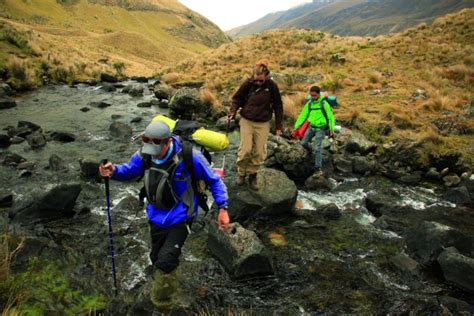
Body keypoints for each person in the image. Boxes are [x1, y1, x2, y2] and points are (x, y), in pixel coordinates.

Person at [99, 120, 230, 306]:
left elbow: (215, 181)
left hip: (181, 217)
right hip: (155, 215)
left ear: (167, 141)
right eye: (147, 143)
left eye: (156, 145)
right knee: (156, 258)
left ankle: (163, 304)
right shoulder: (145, 154)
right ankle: (170, 280)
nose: (151, 150)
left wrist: (222, 209)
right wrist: (113, 171)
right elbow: (128, 171)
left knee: (165, 261)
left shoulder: (189, 156)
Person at [227, 59, 283, 191]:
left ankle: (252, 174)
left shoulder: (272, 86)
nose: (258, 83)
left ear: (266, 76)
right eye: (256, 80)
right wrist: (232, 112)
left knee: (259, 151)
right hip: (247, 120)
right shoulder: (248, 84)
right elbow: (237, 99)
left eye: (261, 81)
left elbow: (278, 106)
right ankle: (241, 172)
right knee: (245, 150)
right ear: (253, 76)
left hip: (263, 123)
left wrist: (279, 125)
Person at [294, 86, 336, 177]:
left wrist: (332, 128)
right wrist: (296, 127)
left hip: (321, 128)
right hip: (311, 127)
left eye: (315, 95)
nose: (313, 97)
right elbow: (303, 115)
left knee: (317, 147)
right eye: (311, 95)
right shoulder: (309, 104)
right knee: (303, 143)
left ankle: (318, 168)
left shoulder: (324, 104)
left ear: (318, 94)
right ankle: (312, 151)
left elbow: (330, 117)